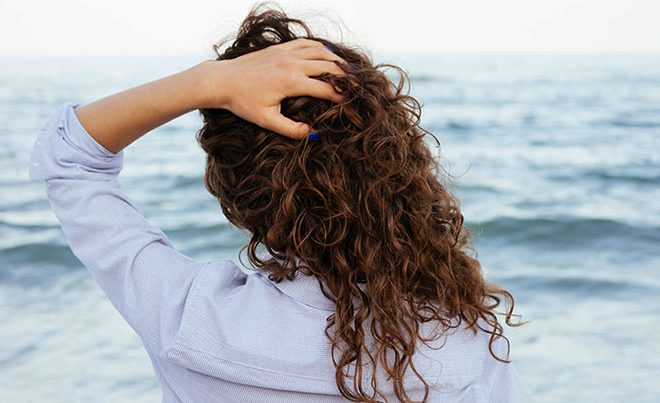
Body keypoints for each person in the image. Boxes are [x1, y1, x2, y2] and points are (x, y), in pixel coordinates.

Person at [29, 5, 522, 403]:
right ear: (396, 165)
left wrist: (208, 82)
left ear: (235, 192)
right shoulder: (466, 342)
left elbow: (69, 157)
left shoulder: (190, 320)